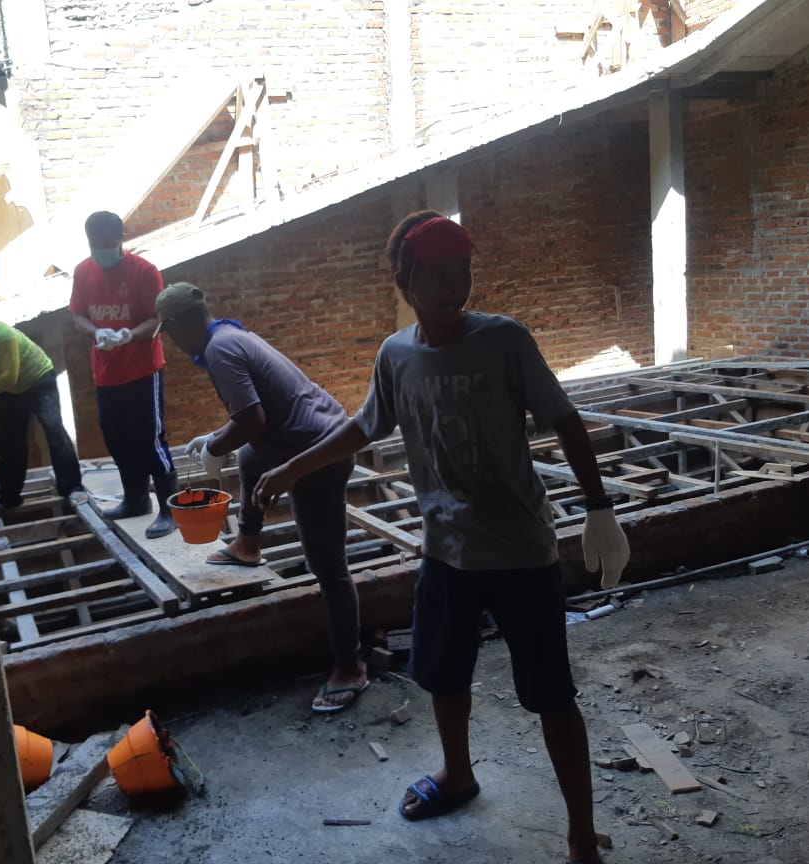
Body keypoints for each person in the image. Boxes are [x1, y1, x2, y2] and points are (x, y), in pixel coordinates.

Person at [253, 212, 629, 864]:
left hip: (520, 553)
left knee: (551, 694)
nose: (455, 286)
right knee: (444, 676)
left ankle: (579, 835)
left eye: (463, 271)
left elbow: (565, 421)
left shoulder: (505, 341)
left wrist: (600, 508)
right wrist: (292, 468)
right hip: (445, 551)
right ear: (406, 282)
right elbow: (364, 427)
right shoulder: (397, 355)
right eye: (437, 274)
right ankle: (458, 775)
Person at [154, 282, 368, 712]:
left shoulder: (220, 350)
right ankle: (247, 545)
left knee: (328, 567)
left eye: (169, 333)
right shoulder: (228, 335)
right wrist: (215, 437)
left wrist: (216, 449)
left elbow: (252, 419)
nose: (172, 343)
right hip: (310, 432)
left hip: (318, 454)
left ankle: (350, 667)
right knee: (251, 457)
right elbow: (253, 417)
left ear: (178, 325)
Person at [69, 211, 177, 539]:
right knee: (116, 438)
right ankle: (136, 499)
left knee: (149, 440)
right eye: (94, 244)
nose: (99, 250)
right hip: (106, 374)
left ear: (120, 238)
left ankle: (169, 510)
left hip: (142, 371)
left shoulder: (144, 272)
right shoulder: (83, 271)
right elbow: (78, 316)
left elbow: (156, 320)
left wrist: (129, 335)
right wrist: (96, 332)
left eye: (105, 244)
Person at [0, 301, 87, 517]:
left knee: (53, 429)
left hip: (38, 379)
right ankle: (9, 498)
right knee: (3, 442)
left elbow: (9, 378)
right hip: (10, 391)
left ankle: (72, 487)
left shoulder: (3, 337)